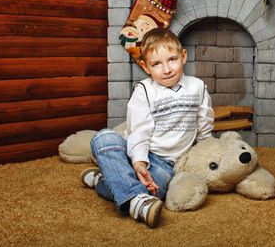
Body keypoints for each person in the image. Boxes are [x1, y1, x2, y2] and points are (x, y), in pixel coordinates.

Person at [80, 28, 214, 228]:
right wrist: (139, 163)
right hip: (138, 153)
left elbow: (205, 127)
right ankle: (137, 200)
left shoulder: (198, 87)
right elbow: (139, 131)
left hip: (166, 165)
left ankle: (107, 180)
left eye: (172, 60)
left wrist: (207, 156)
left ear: (183, 56)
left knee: (156, 189)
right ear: (145, 66)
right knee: (103, 138)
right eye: (157, 64)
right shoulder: (144, 90)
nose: (166, 69)